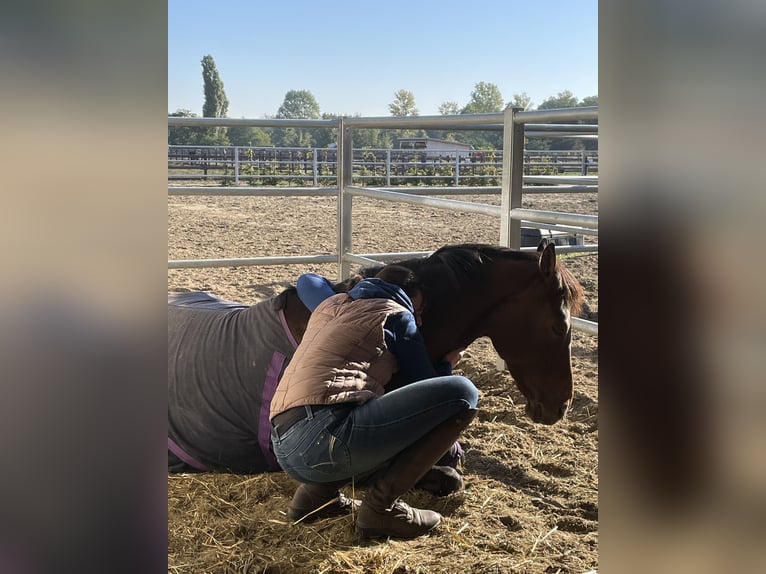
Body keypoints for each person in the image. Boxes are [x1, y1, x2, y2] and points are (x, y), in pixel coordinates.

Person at [270, 264, 479, 538]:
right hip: (324, 439)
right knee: (463, 393)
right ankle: (380, 508)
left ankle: (315, 498)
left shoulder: (331, 305)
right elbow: (426, 385)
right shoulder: (395, 314)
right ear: (405, 296)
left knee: (351, 399)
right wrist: (447, 366)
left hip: (283, 443)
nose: (419, 317)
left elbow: (308, 281)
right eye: (419, 309)